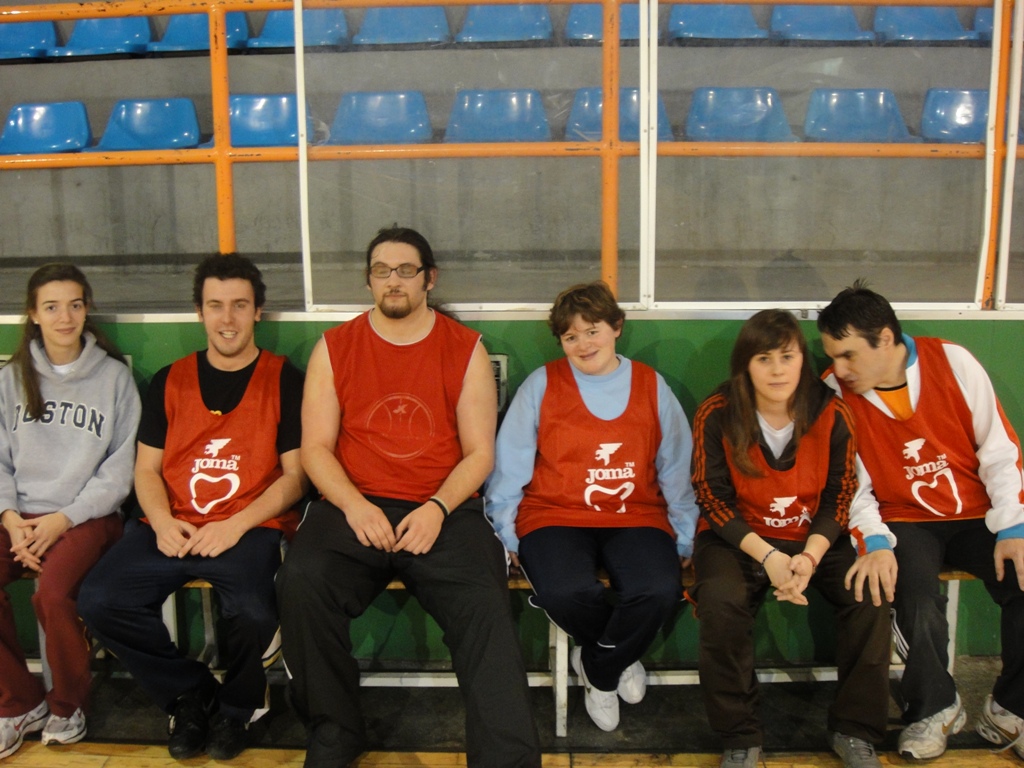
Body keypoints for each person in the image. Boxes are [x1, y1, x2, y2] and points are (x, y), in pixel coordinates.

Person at [276, 226, 541, 768]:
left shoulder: (464, 348)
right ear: (369, 280)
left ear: (429, 278)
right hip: (354, 505)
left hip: (442, 508)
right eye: (381, 270)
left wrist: (438, 508)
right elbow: (316, 450)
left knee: (485, 606)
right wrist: (354, 505)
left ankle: (506, 761)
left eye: (405, 270)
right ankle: (334, 734)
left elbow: (479, 455)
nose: (392, 280)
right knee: (301, 584)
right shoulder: (336, 347)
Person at [78, 254, 306, 761]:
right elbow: (146, 470)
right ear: (199, 313)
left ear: (258, 312)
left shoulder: (285, 379)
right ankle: (190, 694)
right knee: (99, 599)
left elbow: (296, 477)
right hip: (173, 522)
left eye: (240, 306)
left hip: (249, 525)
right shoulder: (170, 380)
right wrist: (160, 520)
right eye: (216, 306)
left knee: (251, 610)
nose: (228, 319)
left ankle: (238, 708)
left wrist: (236, 525)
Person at [818, 280, 1024, 761]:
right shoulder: (833, 392)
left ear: (885, 338)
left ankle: (1010, 708)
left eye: (848, 355)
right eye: (833, 356)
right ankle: (935, 707)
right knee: (908, 590)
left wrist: (1014, 526)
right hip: (903, 520)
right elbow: (852, 483)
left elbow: (999, 451)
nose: (839, 368)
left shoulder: (953, 362)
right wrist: (874, 539)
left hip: (978, 513)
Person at [486, 281, 697, 732]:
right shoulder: (542, 385)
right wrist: (506, 532)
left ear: (617, 327)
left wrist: (684, 531)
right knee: (563, 590)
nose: (583, 344)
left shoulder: (650, 385)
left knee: (659, 589)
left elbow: (676, 464)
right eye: (570, 336)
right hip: (553, 515)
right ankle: (619, 654)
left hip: (636, 514)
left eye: (593, 330)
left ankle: (600, 667)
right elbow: (511, 463)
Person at [689, 309, 891, 768]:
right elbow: (711, 498)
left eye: (787, 356)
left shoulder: (831, 410)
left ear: (803, 360)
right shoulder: (717, 413)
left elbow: (841, 495)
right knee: (721, 603)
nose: (777, 370)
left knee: (870, 597)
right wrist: (771, 558)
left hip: (814, 537)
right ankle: (740, 737)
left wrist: (810, 558)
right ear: (745, 365)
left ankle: (854, 731)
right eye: (764, 359)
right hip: (739, 539)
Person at [0, 264, 140, 759]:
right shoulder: (10, 379)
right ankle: (17, 702)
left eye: (76, 304)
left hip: (87, 518)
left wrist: (64, 519)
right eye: (53, 306)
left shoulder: (114, 378)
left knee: (53, 596)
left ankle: (66, 705)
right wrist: (9, 517)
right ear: (34, 315)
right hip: (20, 518)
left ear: (87, 309)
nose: (66, 316)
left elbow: (119, 473)